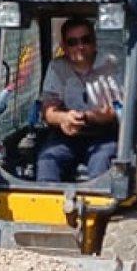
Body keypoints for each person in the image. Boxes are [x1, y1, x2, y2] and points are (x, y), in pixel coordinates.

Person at [35, 17, 122, 182]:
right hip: (66, 134)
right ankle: (49, 205)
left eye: (85, 40)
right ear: (64, 48)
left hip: (103, 134)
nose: (80, 47)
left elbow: (117, 109)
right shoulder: (57, 67)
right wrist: (65, 118)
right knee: (47, 159)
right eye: (72, 42)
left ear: (95, 43)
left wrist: (88, 117)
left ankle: (98, 206)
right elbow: (48, 110)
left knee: (102, 161)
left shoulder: (110, 65)